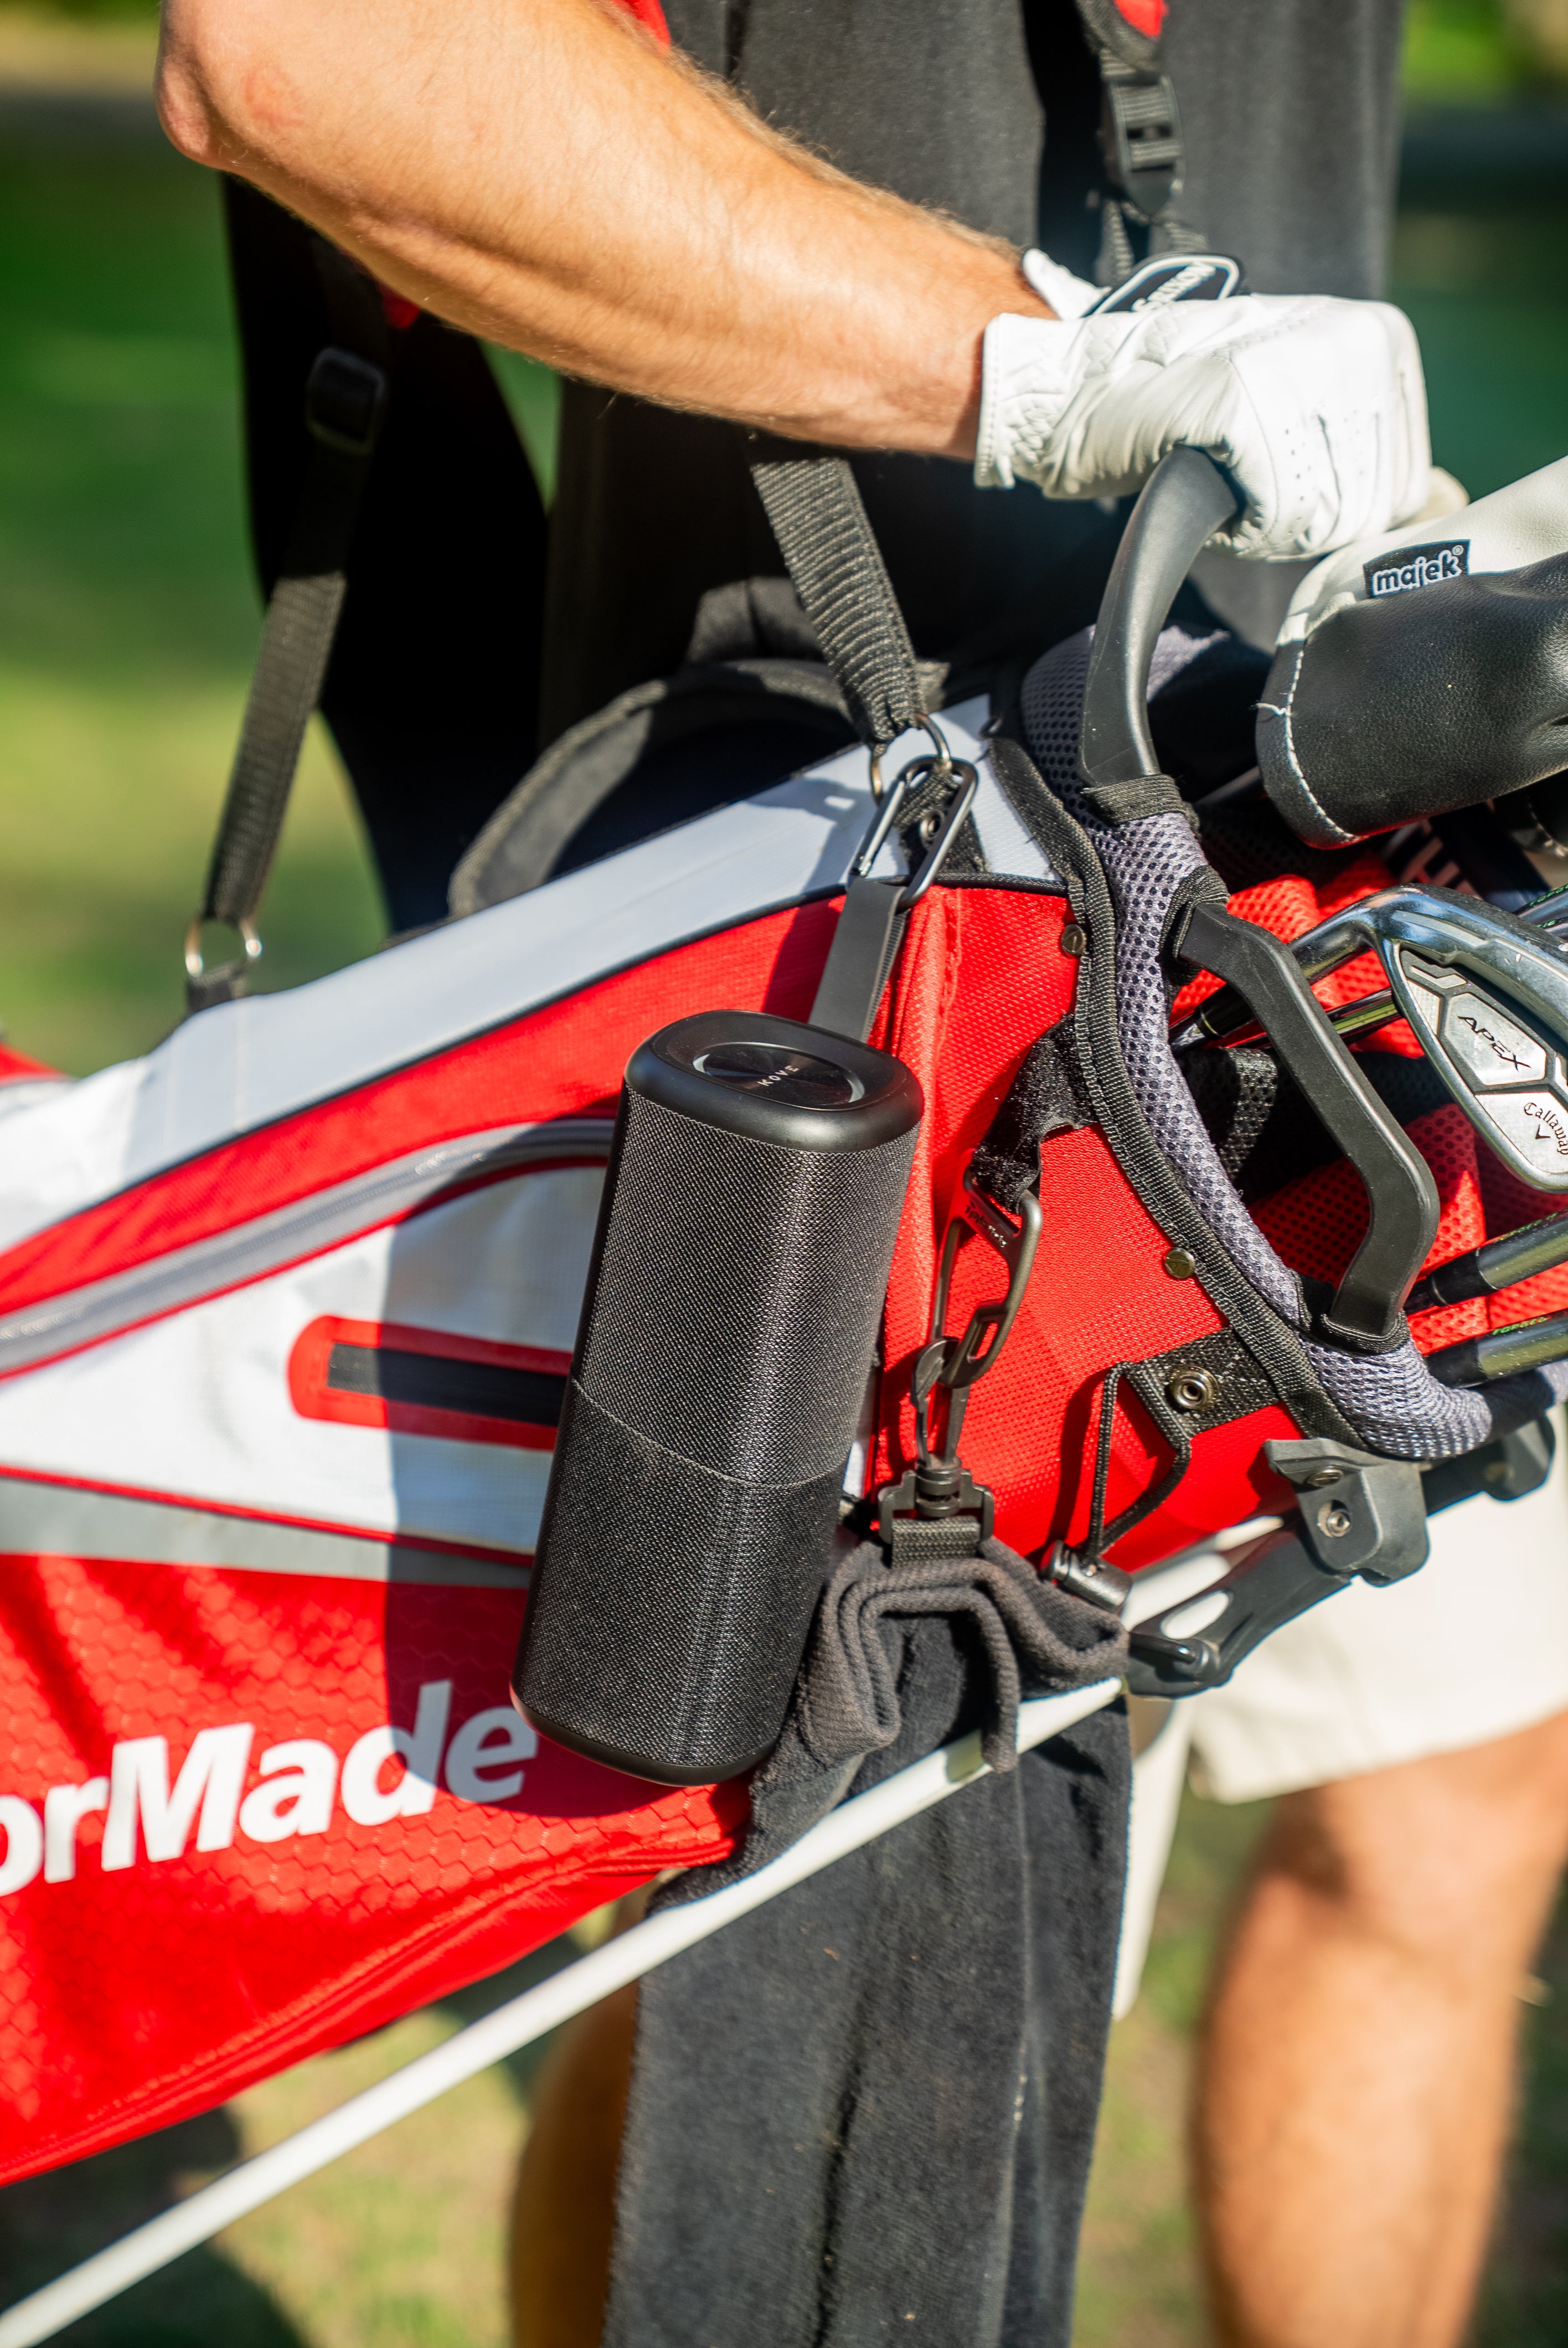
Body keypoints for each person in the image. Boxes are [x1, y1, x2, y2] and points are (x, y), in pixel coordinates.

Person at [152, 3, 1568, 2343]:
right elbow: (303, 53)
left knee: (1445, 1806)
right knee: (802, 1954)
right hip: (865, 911)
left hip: (1345, 878)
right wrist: (1054, 368)